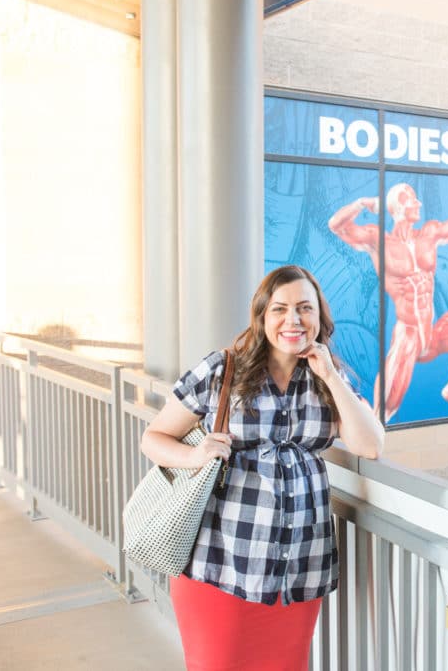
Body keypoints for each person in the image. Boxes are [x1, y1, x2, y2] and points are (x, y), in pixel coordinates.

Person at [140, 265, 383, 671]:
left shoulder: (327, 376)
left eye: (305, 308)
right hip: (221, 564)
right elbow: (154, 438)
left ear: (320, 317)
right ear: (262, 316)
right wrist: (196, 456)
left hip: (297, 569)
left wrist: (330, 377)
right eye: (280, 309)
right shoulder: (222, 369)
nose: (293, 320)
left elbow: (370, 445)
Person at [329, 182, 448, 422]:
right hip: (409, 335)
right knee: (383, 412)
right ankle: (369, 434)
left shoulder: (430, 233)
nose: (418, 204)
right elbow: (336, 225)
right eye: (412, 200)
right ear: (398, 206)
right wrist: (362, 203)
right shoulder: (378, 240)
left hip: (432, 334)